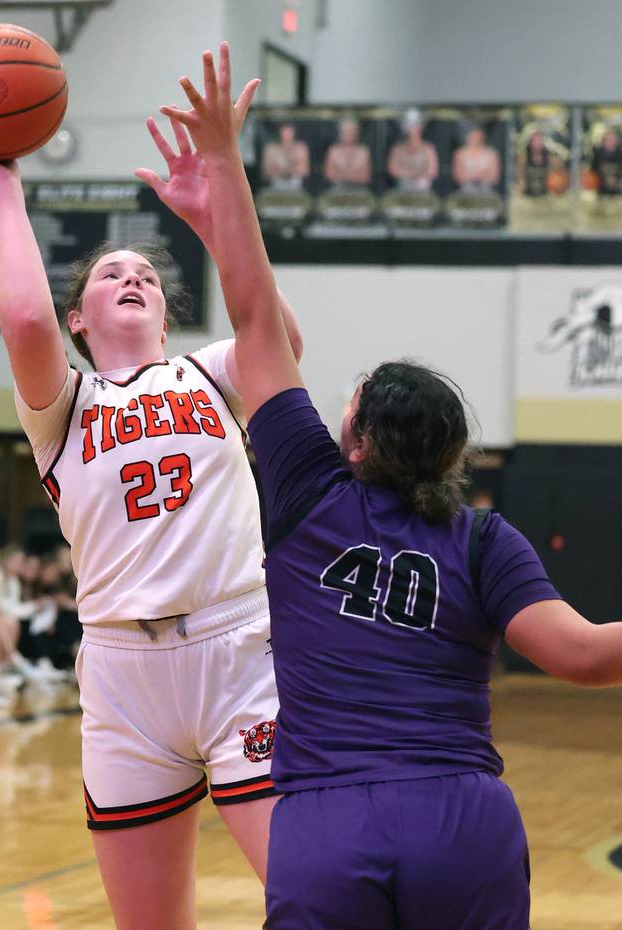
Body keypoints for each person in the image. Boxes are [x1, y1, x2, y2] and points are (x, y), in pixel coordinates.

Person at [161, 43, 622, 930]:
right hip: (463, 819)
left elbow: (256, 321)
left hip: (328, 818)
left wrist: (223, 165)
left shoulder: (307, 493)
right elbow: (587, 656)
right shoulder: (488, 540)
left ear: (359, 442)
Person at [0, 67, 302, 927]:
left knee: (312, 893)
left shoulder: (207, 372)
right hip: (122, 676)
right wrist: (4, 184)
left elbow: (275, 335)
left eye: (144, 274)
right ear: (79, 321)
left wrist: (215, 217)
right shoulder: (64, 409)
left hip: (239, 650)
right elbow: (22, 324)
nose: (131, 277)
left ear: (168, 319)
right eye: (108, 276)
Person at [387, 108, 439, 191]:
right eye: (409, 126)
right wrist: (414, 174)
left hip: (423, 192)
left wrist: (411, 174)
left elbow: (432, 171)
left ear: (420, 129)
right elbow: (393, 170)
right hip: (403, 190)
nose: (412, 130)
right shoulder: (398, 149)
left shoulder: (428, 149)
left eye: (414, 126)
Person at [323, 118, 371, 187]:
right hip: (337, 189)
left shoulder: (363, 151)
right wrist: (353, 175)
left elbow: (365, 176)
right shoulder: (333, 151)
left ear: (357, 132)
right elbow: (329, 174)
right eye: (345, 131)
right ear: (340, 133)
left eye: (351, 131)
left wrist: (342, 174)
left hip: (359, 189)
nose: (349, 133)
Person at [261, 122, 311, 188]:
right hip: (275, 185)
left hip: (295, 186)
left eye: (289, 131)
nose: (286, 135)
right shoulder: (271, 149)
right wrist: (293, 166)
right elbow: (265, 172)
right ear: (279, 132)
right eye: (284, 131)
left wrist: (280, 169)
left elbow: (304, 171)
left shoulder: (301, 148)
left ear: (294, 132)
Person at [451, 126, 500, 192]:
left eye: (477, 135)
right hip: (466, 187)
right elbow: (457, 176)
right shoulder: (460, 154)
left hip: (486, 187)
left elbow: (494, 177)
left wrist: (481, 177)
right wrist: (473, 177)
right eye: (473, 135)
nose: (475, 138)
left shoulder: (491, 154)